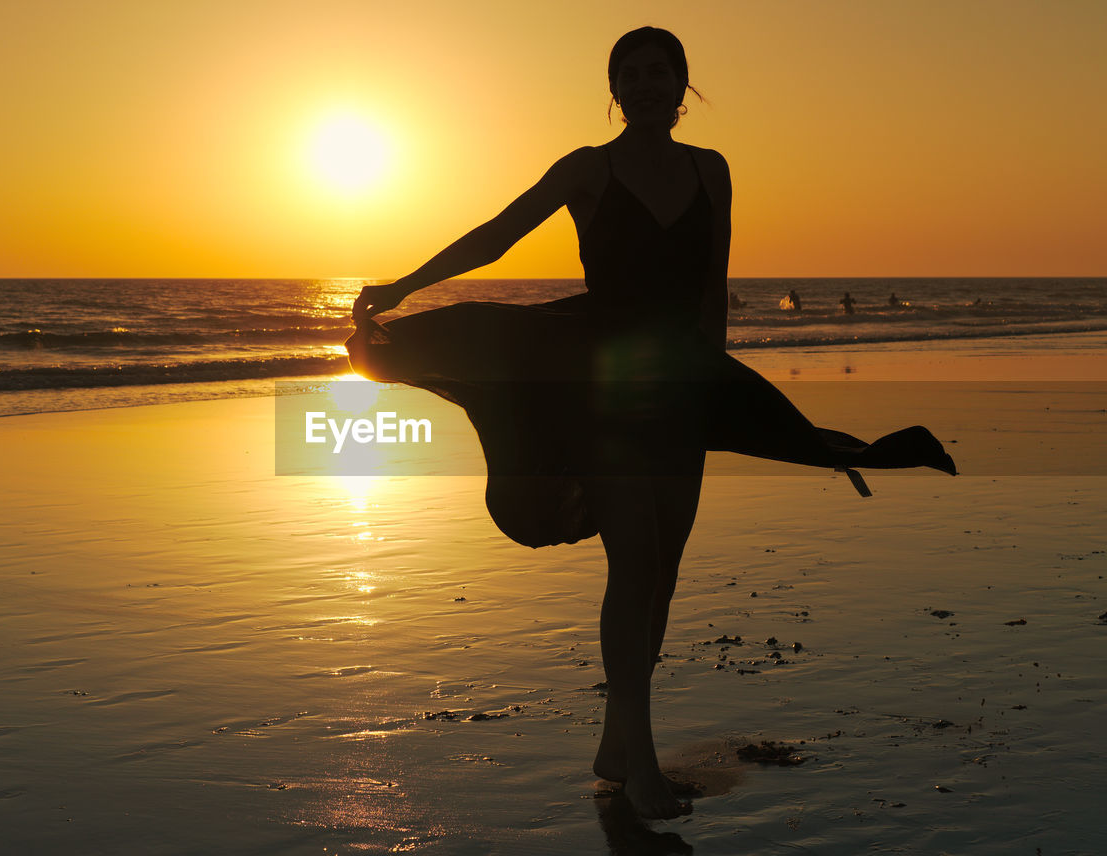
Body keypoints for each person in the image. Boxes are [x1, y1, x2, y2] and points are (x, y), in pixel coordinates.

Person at [348, 27, 954, 820]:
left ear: (682, 86)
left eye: (656, 72)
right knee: (633, 569)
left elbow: (714, 285)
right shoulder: (588, 168)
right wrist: (406, 284)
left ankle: (614, 740)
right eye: (627, 74)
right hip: (607, 390)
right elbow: (500, 233)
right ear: (614, 90)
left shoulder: (712, 170)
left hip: (680, 386)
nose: (642, 84)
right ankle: (640, 769)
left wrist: (714, 385)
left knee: (662, 573)